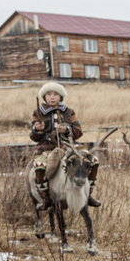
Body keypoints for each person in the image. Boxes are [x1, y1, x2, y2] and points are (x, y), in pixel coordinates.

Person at [29, 81, 98, 210]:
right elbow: (33, 137)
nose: (52, 97)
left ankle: (89, 195)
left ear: (61, 96)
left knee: (94, 161)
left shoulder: (69, 112)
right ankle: (46, 199)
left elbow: (78, 131)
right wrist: (38, 129)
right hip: (47, 148)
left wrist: (67, 129)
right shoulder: (38, 113)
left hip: (70, 148)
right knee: (40, 166)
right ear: (44, 97)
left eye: (55, 94)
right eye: (49, 94)